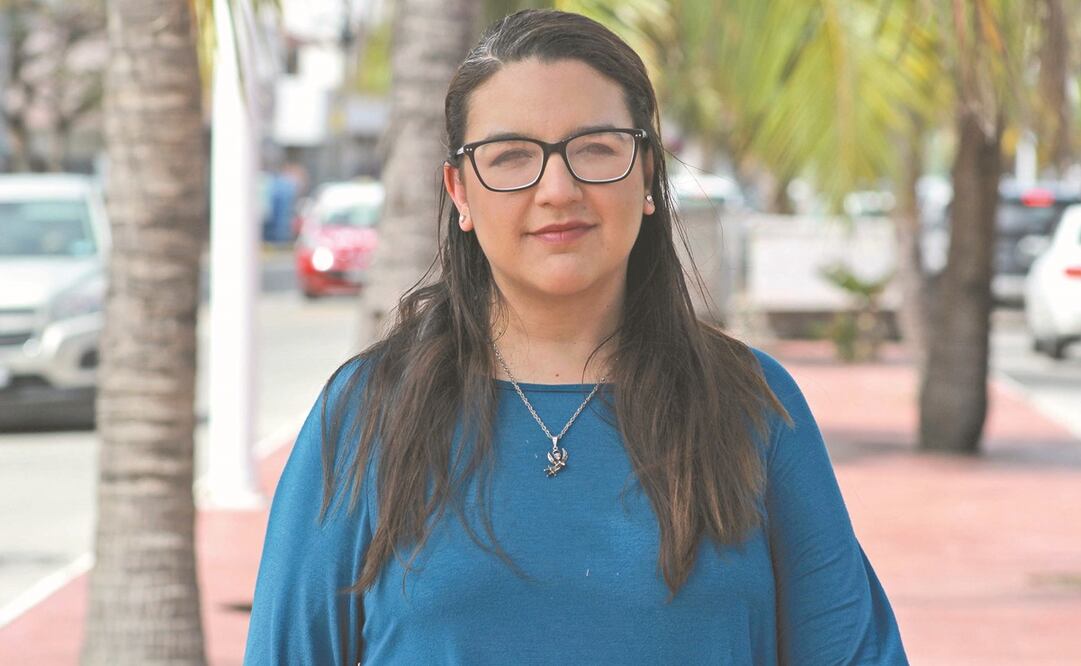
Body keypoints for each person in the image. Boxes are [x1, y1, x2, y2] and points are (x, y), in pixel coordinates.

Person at [244, 9, 908, 665]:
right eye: (511, 157)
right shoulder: (367, 413)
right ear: (460, 192)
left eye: (594, 148)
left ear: (647, 173)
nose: (557, 189)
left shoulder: (752, 405)